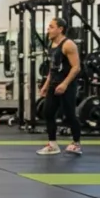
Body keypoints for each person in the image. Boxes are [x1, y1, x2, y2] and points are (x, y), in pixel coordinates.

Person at [37, 17, 82, 156]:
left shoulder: (68, 45)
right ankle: (53, 145)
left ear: (60, 29)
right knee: (48, 113)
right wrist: (45, 85)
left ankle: (76, 143)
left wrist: (65, 83)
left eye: (51, 27)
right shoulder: (51, 44)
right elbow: (53, 68)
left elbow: (76, 67)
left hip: (67, 85)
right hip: (54, 84)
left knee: (69, 115)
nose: (48, 29)